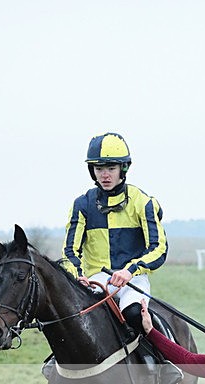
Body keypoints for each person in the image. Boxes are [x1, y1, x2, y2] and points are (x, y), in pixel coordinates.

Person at [62, 131, 167, 336]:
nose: (105, 175)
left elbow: (159, 248)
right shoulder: (82, 205)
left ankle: (159, 360)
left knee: (135, 314)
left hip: (132, 280)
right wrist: (79, 276)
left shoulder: (143, 202)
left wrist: (130, 270)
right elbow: (70, 250)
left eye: (111, 168)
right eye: (99, 169)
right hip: (95, 281)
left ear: (123, 168)